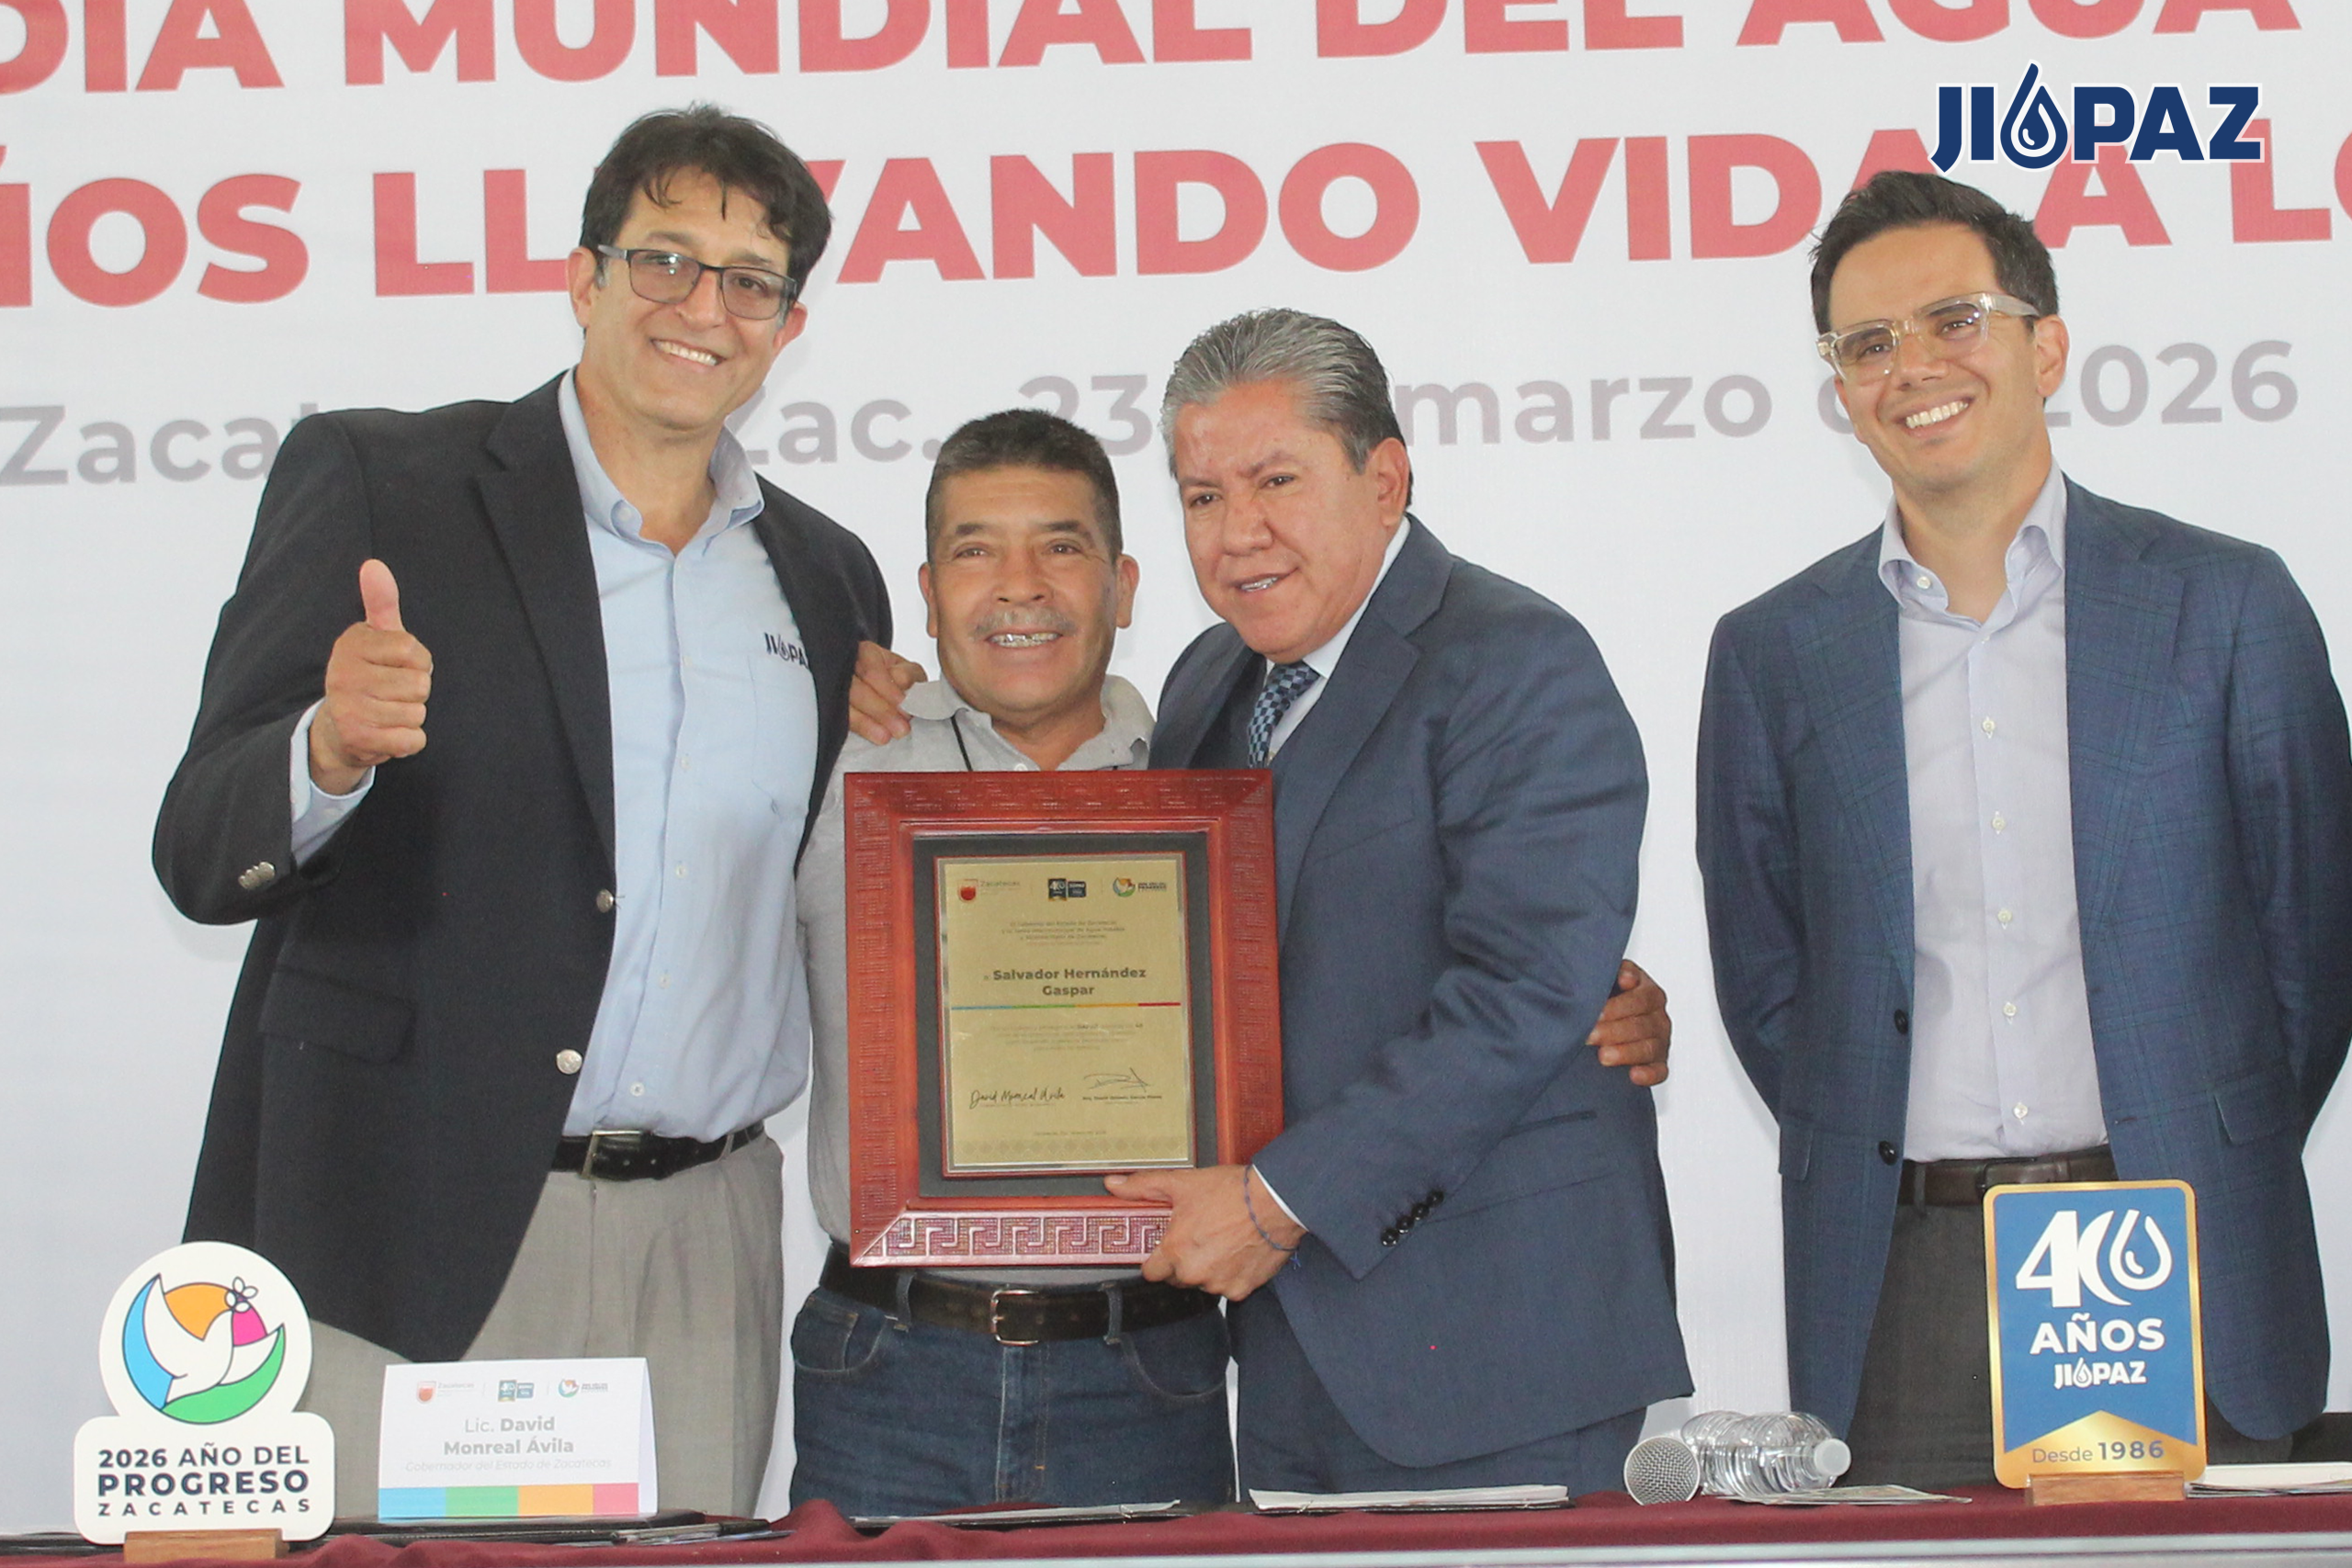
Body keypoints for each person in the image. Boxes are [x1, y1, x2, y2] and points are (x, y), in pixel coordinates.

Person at [153, 105, 891, 1516]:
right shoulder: (385, 485)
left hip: (704, 1239)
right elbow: (199, 843)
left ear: (788, 329)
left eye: (750, 280)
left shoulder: (826, 574)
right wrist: (325, 750)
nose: (704, 307)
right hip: (415, 1224)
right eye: (664, 258)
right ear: (583, 277)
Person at [1696, 170, 2352, 1487]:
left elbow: (2316, 948)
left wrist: (2193, 1136)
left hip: (2176, 1248)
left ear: (2045, 348)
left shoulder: (2225, 605)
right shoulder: (1773, 652)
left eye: (1955, 320)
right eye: (1866, 344)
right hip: (1906, 1282)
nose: (1912, 367)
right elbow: (1771, 988)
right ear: (1841, 390)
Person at [1125, 308, 1690, 1495]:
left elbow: (1523, 990)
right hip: (1286, 1353)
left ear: (1384, 480)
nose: (1237, 531)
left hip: (1498, 1350)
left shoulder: (1515, 660)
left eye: (1276, 480)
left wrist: (1277, 1202)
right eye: (1202, 496)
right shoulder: (1205, 682)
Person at [790, 409, 1237, 1516]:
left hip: (1148, 1373)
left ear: (1123, 587)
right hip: (888, 1371)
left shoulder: (1215, 786)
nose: (1019, 587)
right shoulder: (822, 763)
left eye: (1061, 546)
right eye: (975, 550)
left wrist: (1605, 1001)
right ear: (928, 591)